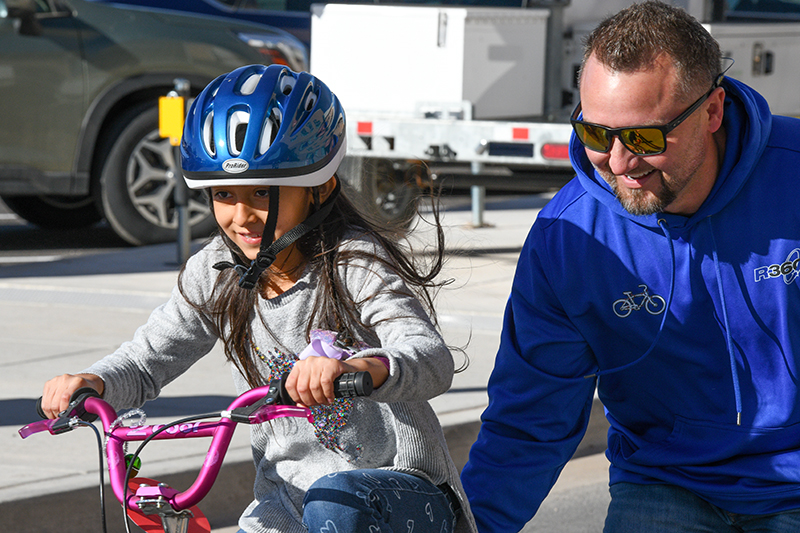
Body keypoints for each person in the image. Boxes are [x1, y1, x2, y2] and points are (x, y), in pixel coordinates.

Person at [40, 64, 477, 533]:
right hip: (285, 501)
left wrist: (359, 369)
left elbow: (430, 358)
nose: (241, 216)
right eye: (224, 193)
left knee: (334, 503)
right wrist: (95, 382)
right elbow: (148, 360)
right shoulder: (215, 272)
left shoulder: (354, 262)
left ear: (320, 186)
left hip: (396, 495)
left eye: (264, 192)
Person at [460, 1, 800, 531]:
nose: (618, 162)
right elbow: (531, 418)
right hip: (667, 480)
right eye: (597, 134)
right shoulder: (568, 240)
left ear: (712, 111)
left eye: (645, 138)